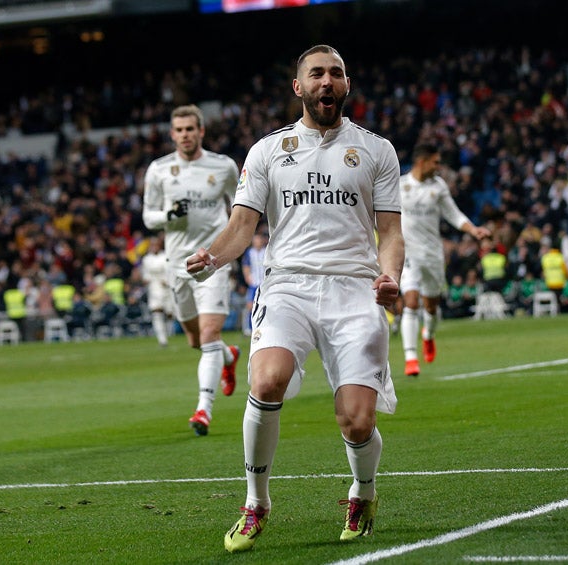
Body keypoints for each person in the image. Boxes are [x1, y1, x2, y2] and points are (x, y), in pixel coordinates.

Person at [185, 44, 403, 553]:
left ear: (346, 85)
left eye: (337, 73)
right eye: (317, 74)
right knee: (267, 379)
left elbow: (391, 232)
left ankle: (363, 491)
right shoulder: (267, 150)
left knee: (357, 419)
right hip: (287, 285)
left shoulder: (377, 150)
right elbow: (242, 226)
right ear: (298, 87)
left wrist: (389, 274)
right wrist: (213, 257)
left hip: (355, 289)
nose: (327, 82)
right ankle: (255, 503)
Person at [142, 104, 241, 436]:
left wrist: (228, 250)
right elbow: (148, 217)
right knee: (196, 341)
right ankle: (229, 358)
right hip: (176, 266)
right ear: (172, 134)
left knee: (210, 335)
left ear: (201, 131)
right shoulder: (158, 170)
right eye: (179, 130)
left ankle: (203, 410)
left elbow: (239, 209)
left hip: (212, 262)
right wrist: (170, 214)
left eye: (190, 129)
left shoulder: (224, 166)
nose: (185, 135)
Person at [397, 143, 490, 376]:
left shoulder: (438, 187)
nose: (439, 166)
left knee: (431, 306)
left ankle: (428, 334)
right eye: (436, 162)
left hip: (433, 254)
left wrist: (473, 230)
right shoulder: (399, 186)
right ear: (422, 161)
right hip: (409, 253)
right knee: (410, 301)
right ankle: (411, 358)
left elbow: (453, 214)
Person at [140, 235, 174, 347]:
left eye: (156, 244)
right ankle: (162, 339)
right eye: (152, 245)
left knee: (170, 314)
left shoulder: (165, 256)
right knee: (156, 313)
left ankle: (169, 334)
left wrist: (167, 280)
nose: (154, 247)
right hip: (154, 289)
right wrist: (145, 280)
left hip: (167, 288)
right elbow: (145, 274)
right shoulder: (146, 259)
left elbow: (170, 271)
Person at [240, 229, 268, 337]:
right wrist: (247, 277)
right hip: (254, 283)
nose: (258, 242)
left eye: (259, 239)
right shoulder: (249, 252)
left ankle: (262, 327)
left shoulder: (266, 251)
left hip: (264, 283)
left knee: (264, 305)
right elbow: (246, 265)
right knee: (250, 306)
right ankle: (249, 328)